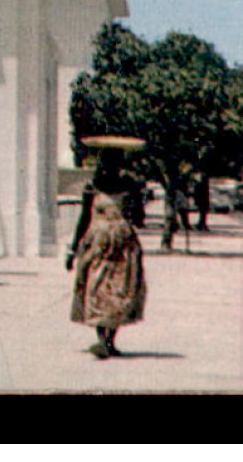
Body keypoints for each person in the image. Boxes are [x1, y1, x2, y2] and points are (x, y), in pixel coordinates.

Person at [69, 148, 147, 360]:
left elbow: (139, 218)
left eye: (112, 164)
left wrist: (137, 197)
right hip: (97, 245)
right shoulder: (91, 188)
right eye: (104, 164)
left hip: (123, 246)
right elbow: (84, 219)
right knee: (96, 289)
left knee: (120, 291)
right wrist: (72, 248)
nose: (107, 169)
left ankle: (109, 341)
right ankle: (102, 340)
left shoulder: (128, 187)